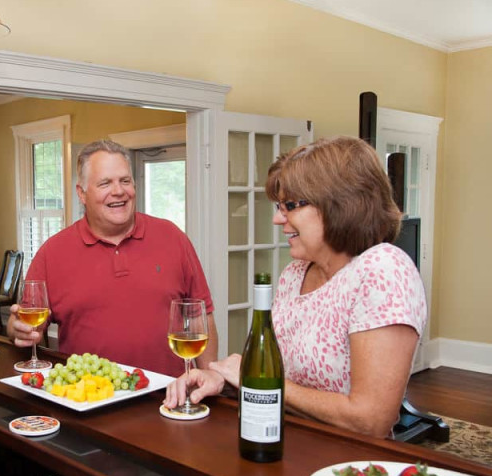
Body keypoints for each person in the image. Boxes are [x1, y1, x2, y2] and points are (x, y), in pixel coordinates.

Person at [164, 136, 427, 438]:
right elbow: (285, 384)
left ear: (339, 203)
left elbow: (370, 420)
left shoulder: (383, 269)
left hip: (343, 467)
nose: (277, 219)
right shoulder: (294, 274)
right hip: (280, 443)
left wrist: (251, 378)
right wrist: (224, 382)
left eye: (290, 205)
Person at [7, 139, 218, 376]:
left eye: (125, 181)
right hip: (88, 401)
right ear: (82, 193)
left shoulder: (173, 237)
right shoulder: (51, 253)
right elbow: (26, 324)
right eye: (105, 183)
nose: (118, 191)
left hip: (169, 398)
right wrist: (16, 329)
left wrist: (210, 379)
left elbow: (202, 316)